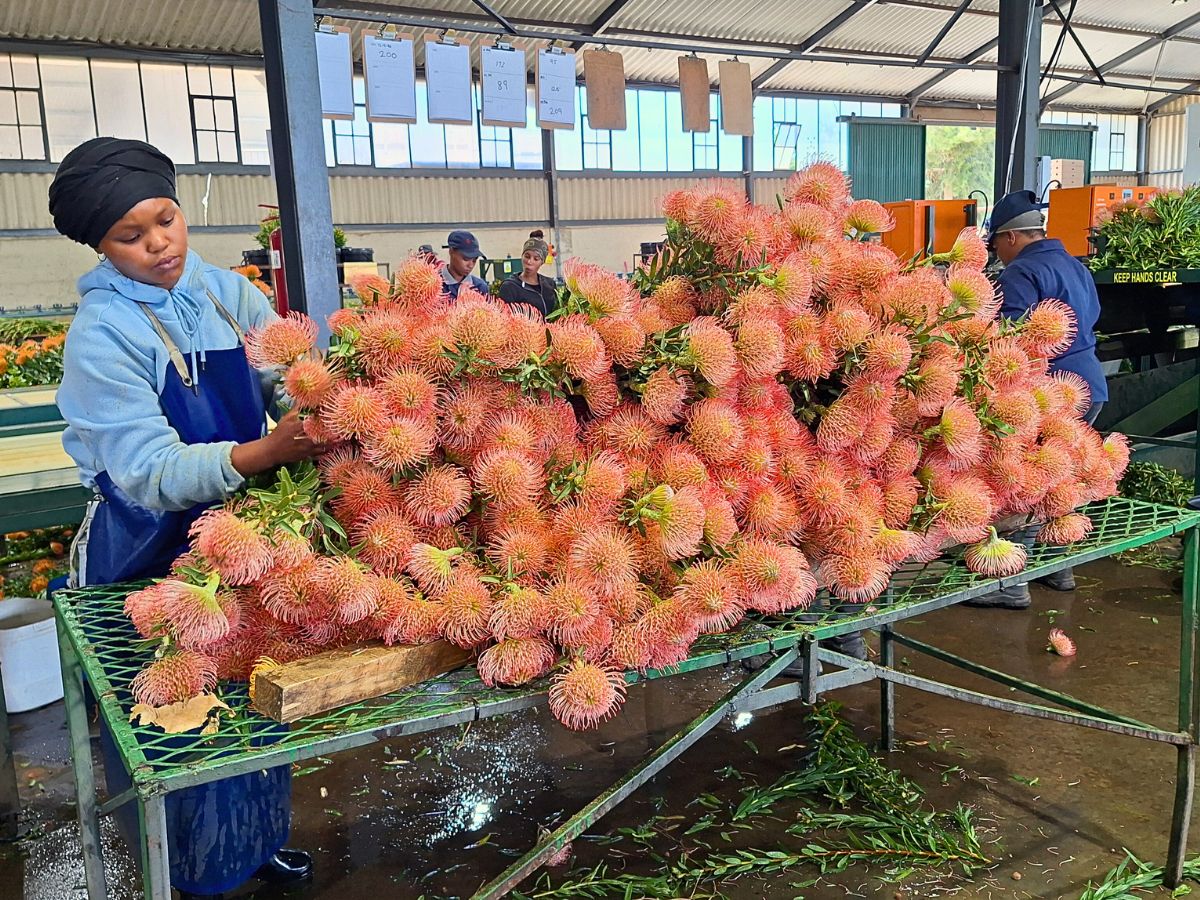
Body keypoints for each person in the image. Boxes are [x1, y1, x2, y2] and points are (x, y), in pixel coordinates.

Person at [49, 137, 318, 896]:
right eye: (130, 237)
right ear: (99, 246)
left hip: (249, 538)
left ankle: (258, 842)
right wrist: (266, 453)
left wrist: (315, 412)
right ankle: (187, 875)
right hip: (146, 547)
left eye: (165, 220)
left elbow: (284, 377)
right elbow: (149, 470)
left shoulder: (228, 295)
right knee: (175, 720)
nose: (158, 244)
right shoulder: (101, 336)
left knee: (258, 699)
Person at [967, 190, 1108, 610]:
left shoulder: (1021, 273)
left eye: (996, 246)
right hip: (1091, 385)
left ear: (1010, 239)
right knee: (1061, 479)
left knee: (1026, 481)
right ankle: (1056, 568)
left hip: (1049, 393)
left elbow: (1009, 341)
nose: (998, 255)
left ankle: (1011, 585)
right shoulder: (1075, 265)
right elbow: (1094, 316)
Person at [498, 237, 559, 318]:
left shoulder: (550, 284)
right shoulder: (509, 287)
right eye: (527, 256)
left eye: (536, 259)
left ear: (542, 262)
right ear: (522, 256)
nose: (529, 262)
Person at [441, 229, 490, 299]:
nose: (470, 265)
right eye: (466, 259)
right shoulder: (432, 285)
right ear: (451, 252)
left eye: (474, 260)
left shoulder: (480, 287)